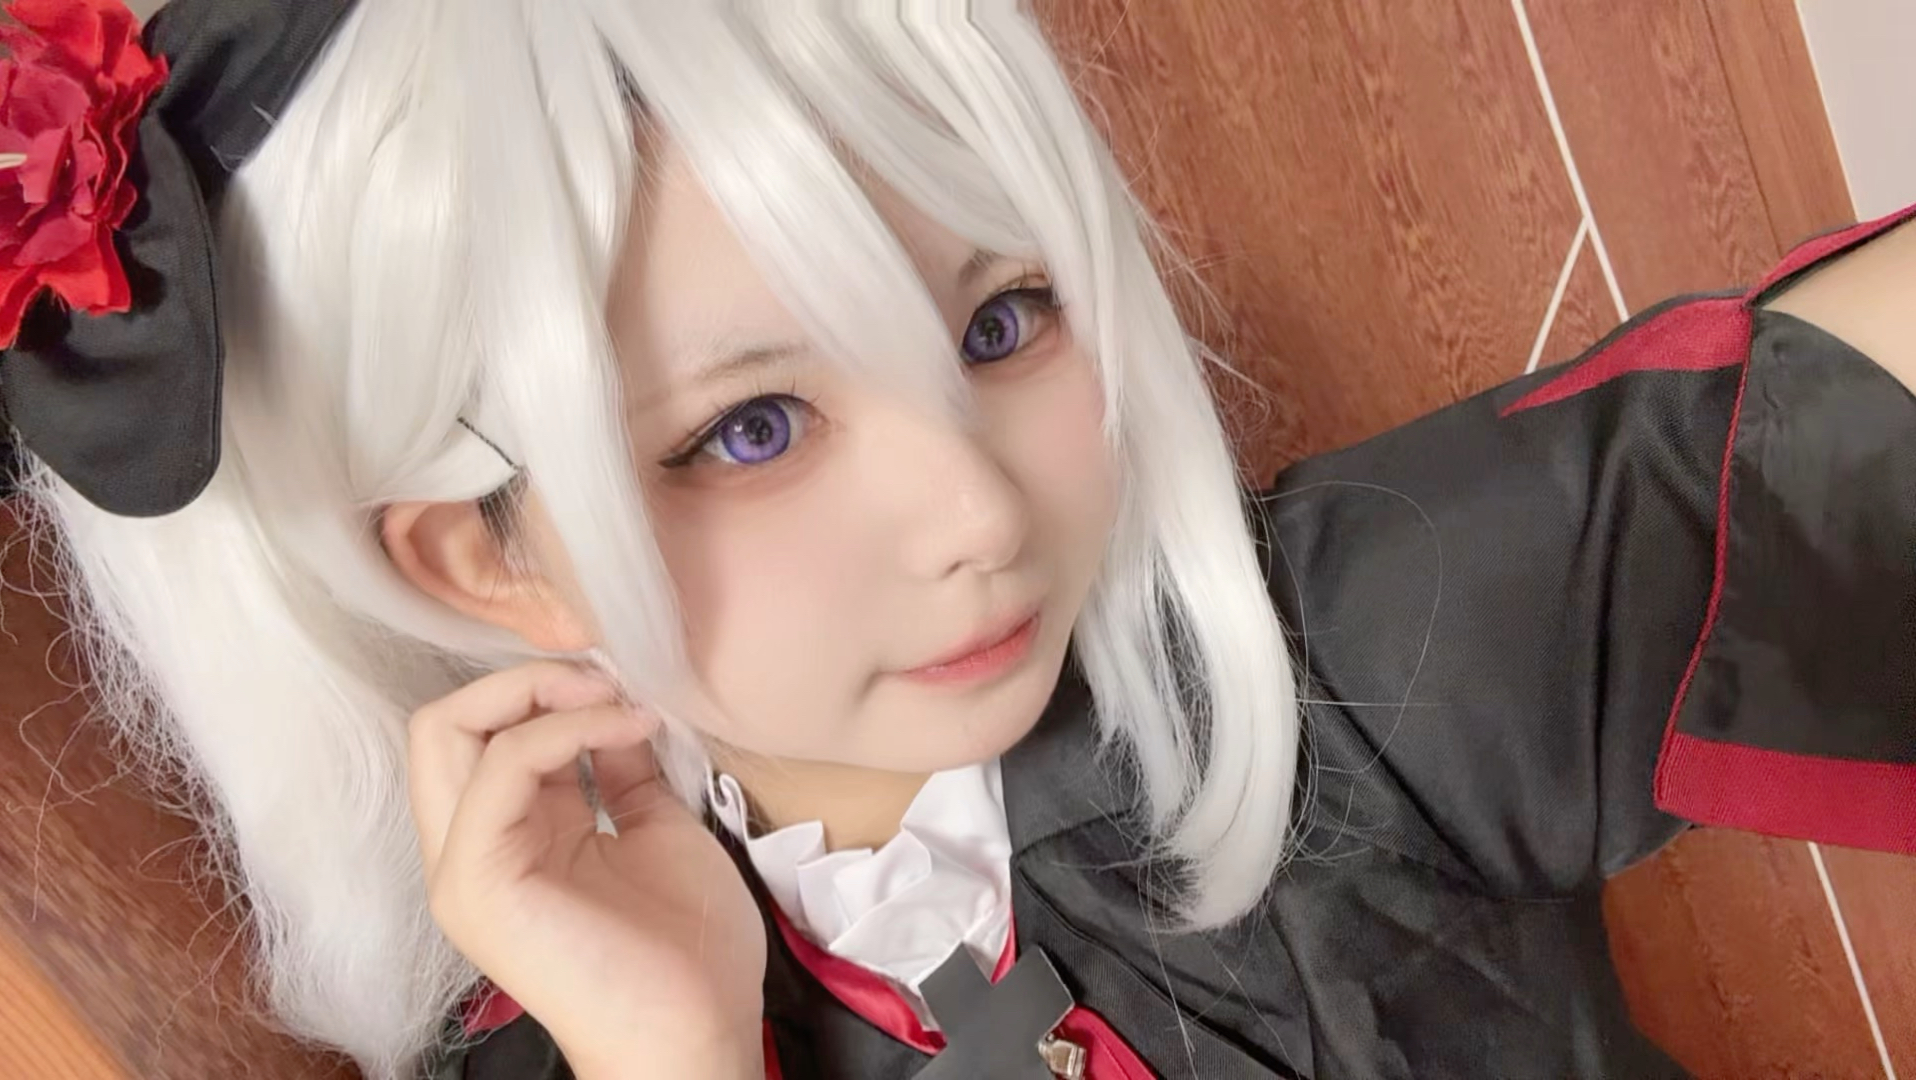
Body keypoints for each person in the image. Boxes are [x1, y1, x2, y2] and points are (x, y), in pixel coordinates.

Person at [1, 1, 1909, 1077]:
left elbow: (1802, 441)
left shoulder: (1343, 666)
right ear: (487, 562)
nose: (980, 511)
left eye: (1004, 319)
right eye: (750, 429)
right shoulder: (559, 1036)